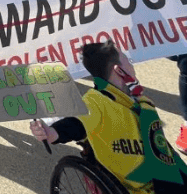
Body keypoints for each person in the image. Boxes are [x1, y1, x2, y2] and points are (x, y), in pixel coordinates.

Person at [31, 41, 187, 193]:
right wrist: (53, 133)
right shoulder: (96, 102)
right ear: (119, 70)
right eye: (129, 62)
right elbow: (77, 123)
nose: (132, 66)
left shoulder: (137, 100)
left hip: (170, 175)